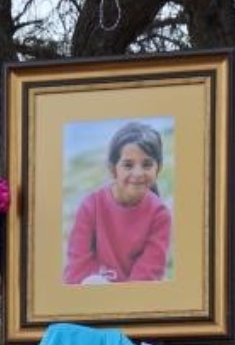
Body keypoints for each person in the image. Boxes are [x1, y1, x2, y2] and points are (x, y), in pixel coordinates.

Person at [62, 121, 172, 286]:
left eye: (147, 164)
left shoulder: (160, 214)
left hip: (134, 301)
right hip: (93, 294)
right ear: (113, 169)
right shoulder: (91, 206)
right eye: (128, 165)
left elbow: (148, 274)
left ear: (159, 167)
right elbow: (76, 269)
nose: (138, 173)